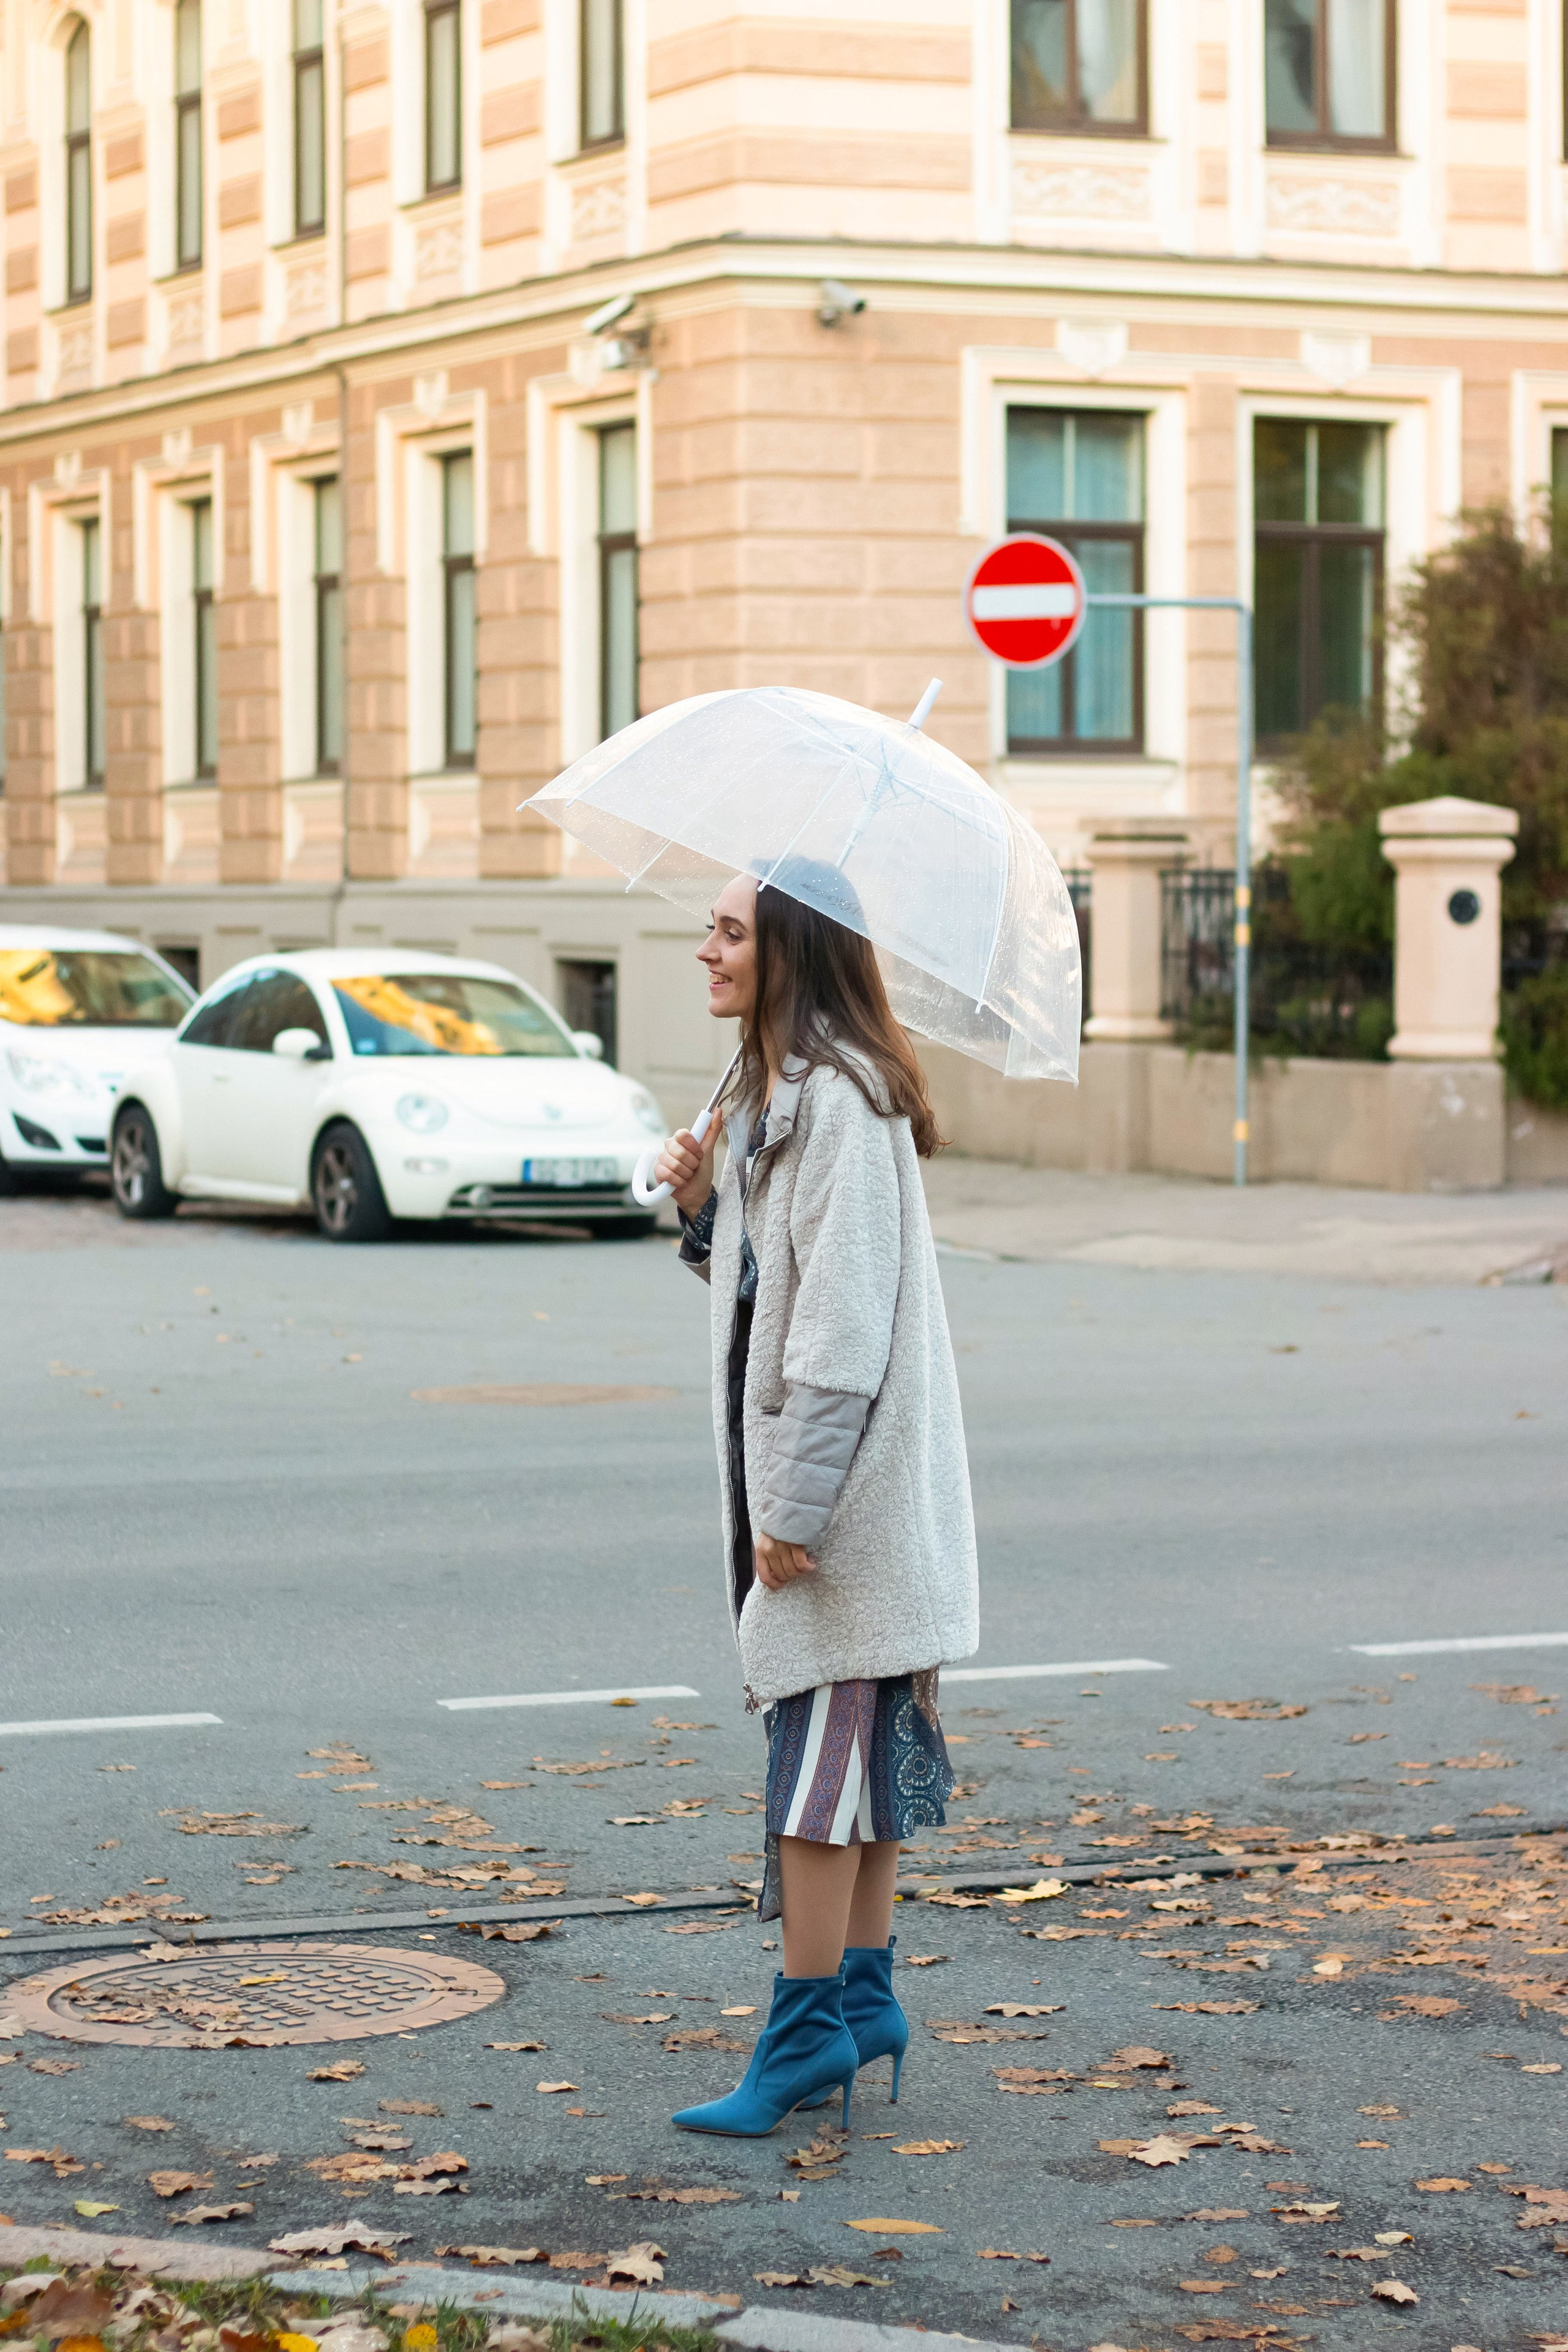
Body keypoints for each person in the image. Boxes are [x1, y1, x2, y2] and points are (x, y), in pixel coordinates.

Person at [652, 863, 979, 2136]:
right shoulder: (780, 1090)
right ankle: (863, 1998)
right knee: (860, 1772)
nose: (707, 950)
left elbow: (838, 1332)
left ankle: (801, 2043)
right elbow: (761, 1290)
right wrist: (699, 1207)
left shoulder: (834, 1101)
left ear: (788, 951)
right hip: (833, 1496)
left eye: (728, 931)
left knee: (815, 1781)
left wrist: (787, 1508)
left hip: (838, 1510)